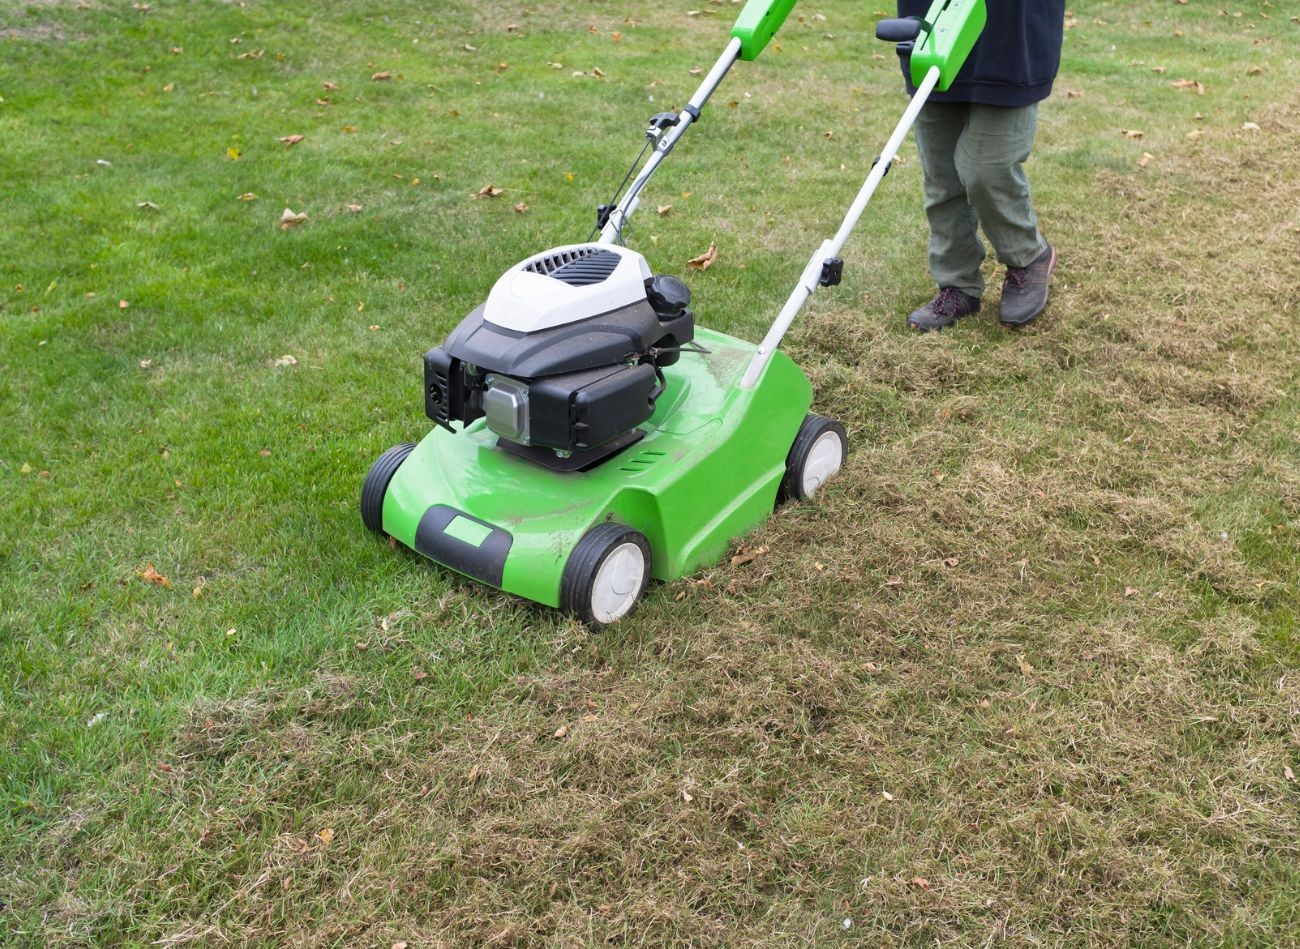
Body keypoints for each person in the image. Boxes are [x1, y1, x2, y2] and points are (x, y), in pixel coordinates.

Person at [896, 0, 1067, 332]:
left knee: (986, 168)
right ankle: (957, 284)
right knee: (941, 176)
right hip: (935, 27)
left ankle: (1028, 256)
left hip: (1010, 32)